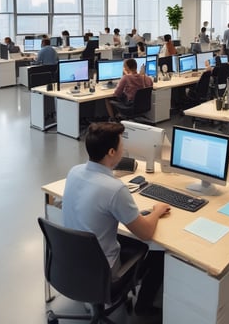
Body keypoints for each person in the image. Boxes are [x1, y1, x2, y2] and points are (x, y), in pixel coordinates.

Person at [62, 122, 170, 316]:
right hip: (103, 273)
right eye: (121, 145)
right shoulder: (114, 189)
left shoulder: (74, 171)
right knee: (158, 252)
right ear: (112, 152)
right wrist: (157, 211)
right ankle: (143, 308)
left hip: (70, 262)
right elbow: (145, 233)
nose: (124, 148)